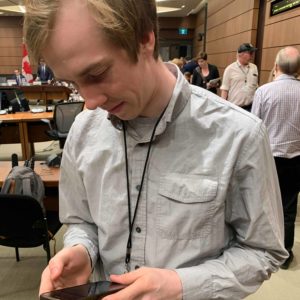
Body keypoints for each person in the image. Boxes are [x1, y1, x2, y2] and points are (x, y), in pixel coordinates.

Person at [24, 1, 287, 299]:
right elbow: (81, 221)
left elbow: (263, 251)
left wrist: (181, 285)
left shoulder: (240, 134)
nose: (91, 100)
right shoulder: (83, 132)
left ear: (146, 38)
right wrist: (82, 249)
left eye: (97, 73)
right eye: (73, 83)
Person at [251, 46, 300, 270]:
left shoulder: (264, 91)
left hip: (269, 158)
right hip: (297, 159)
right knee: (289, 207)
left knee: (265, 204)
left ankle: (266, 249)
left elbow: (254, 126)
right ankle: (285, 254)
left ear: (276, 66)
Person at [221, 43, 258, 111]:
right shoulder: (230, 69)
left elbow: (256, 87)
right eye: (250, 53)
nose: (252, 55)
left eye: (253, 53)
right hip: (234, 108)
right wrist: (222, 109)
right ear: (240, 54)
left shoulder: (254, 68)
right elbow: (224, 90)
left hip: (251, 108)